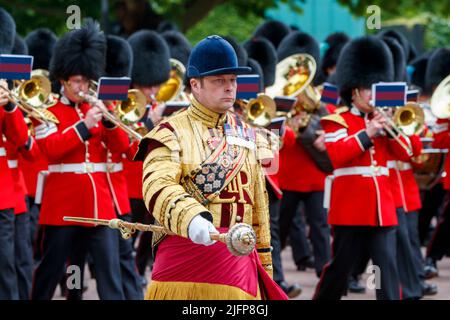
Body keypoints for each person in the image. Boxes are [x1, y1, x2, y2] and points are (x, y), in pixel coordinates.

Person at [134, 35, 287, 300]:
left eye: (232, 80)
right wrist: (191, 217)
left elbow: (258, 209)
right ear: (195, 85)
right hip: (183, 261)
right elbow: (157, 186)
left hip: (237, 263)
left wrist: (265, 266)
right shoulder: (170, 132)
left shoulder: (248, 134)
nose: (229, 88)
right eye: (219, 81)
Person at [30, 20, 129, 300]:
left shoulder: (96, 108)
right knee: (51, 270)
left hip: (99, 206)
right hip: (63, 205)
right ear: (62, 80)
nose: (83, 87)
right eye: (76, 82)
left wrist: (109, 122)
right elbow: (50, 149)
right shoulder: (46, 111)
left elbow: (123, 148)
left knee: (109, 274)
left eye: (86, 81)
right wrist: (84, 126)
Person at [313, 36, 412, 300]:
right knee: (340, 267)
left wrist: (390, 130)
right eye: (367, 88)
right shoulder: (336, 121)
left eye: (375, 87)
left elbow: (409, 153)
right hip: (351, 209)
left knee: (385, 267)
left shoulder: (384, 120)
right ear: (354, 90)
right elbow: (337, 154)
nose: (372, 93)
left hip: (383, 210)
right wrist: (367, 133)